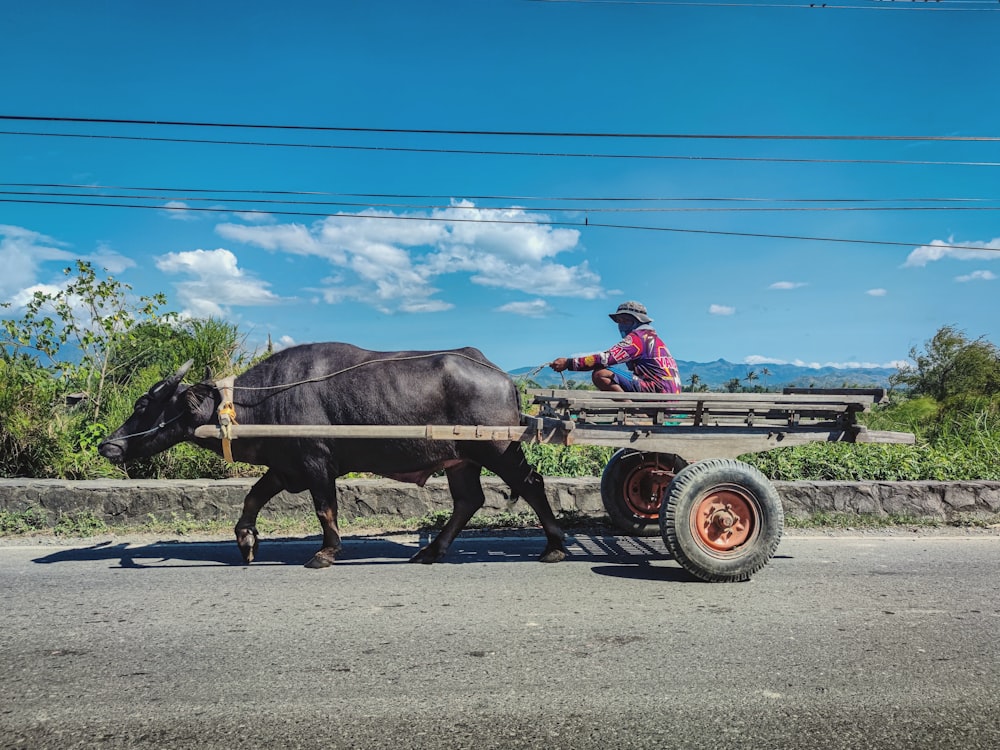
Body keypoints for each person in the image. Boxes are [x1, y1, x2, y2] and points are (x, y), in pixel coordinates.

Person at [550, 301, 682, 393]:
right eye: (619, 321)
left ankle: (632, 410)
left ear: (636, 321)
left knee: (600, 373)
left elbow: (605, 358)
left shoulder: (637, 338)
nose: (621, 325)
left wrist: (569, 363)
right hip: (669, 393)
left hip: (655, 390)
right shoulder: (655, 340)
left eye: (625, 321)